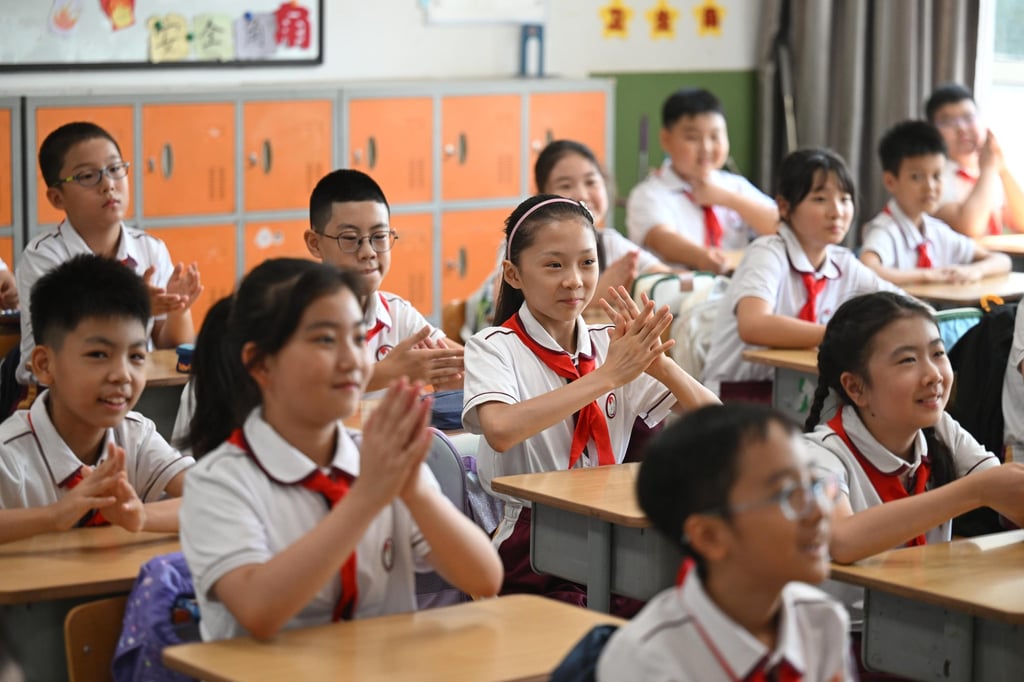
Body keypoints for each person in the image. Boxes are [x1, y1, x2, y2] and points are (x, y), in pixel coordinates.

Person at [179, 259, 502, 641]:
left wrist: (412, 487)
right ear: (261, 364)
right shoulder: (219, 480)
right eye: (325, 340)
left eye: (355, 338)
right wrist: (366, 498)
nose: (352, 360)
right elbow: (258, 611)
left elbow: (484, 576)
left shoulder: (377, 459)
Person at [462, 194, 719, 609]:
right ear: (513, 273)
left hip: (613, 533)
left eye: (587, 263)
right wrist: (607, 377)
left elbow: (721, 428)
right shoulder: (494, 346)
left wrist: (659, 364)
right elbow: (501, 429)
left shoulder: (609, 344)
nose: (574, 280)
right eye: (553, 265)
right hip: (529, 546)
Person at [803, 292, 1024, 638]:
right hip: (848, 642)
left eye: (938, 353)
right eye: (908, 361)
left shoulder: (940, 431)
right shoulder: (819, 455)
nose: (933, 374)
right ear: (856, 387)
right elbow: (843, 539)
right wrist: (977, 491)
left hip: (929, 626)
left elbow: (1008, 495)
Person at [597, 403, 851, 682]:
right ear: (710, 536)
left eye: (815, 485)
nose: (819, 512)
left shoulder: (823, 621)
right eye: (787, 494)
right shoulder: (648, 661)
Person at [0, 255, 194, 544]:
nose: (122, 375)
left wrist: (141, 516)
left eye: (136, 356)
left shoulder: (135, 436)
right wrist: (54, 516)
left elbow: (216, 497)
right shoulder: (9, 454)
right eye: (98, 355)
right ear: (44, 364)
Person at [17, 122, 201, 396]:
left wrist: (178, 309)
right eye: (87, 176)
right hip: (56, 395)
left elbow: (171, 347)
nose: (108, 185)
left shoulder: (150, 249)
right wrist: (135, 307)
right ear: (57, 198)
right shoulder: (44, 257)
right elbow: (64, 342)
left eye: (115, 169)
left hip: (135, 394)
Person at [702, 148, 900, 400]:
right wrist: (837, 336)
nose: (836, 211)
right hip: (737, 395)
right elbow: (753, 325)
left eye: (845, 198)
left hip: (798, 391)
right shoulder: (768, 252)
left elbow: (899, 304)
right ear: (784, 207)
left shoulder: (842, 262)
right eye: (820, 199)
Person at [465, 140, 674, 338]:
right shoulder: (521, 244)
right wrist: (598, 293)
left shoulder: (609, 242)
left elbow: (669, 278)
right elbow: (507, 310)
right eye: (565, 185)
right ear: (542, 196)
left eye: (591, 181)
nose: (581, 194)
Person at [305, 169, 463, 395]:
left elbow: (463, 363)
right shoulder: (296, 317)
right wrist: (389, 372)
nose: (368, 252)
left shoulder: (396, 313)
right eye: (350, 239)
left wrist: (459, 378)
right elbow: (305, 392)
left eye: (379, 236)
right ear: (314, 243)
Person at [627, 88, 778, 273]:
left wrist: (727, 199)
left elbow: (781, 227)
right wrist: (703, 258)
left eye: (715, 136)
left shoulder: (734, 186)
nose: (706, 148)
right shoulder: (648, 194)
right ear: (666, 139)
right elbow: (661, 239)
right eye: (693, 138)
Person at [860, 119, 1010, 285]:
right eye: (917, 177)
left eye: (937, 176)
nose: (930, 186)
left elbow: (1002, 261)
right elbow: (867, 269)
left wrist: (976, 270)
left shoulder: (936, 231)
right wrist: (926, 276)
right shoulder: (885, 229)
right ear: (890, 181)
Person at [926, 83, 1024, 236]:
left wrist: (1003, 170)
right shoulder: (933, 177)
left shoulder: (992, 172)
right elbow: (969, 228)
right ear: (933, 132)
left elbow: (1022, 223)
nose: (961, 128)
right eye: (948, 121)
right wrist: (989, 169)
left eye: (968, 117)